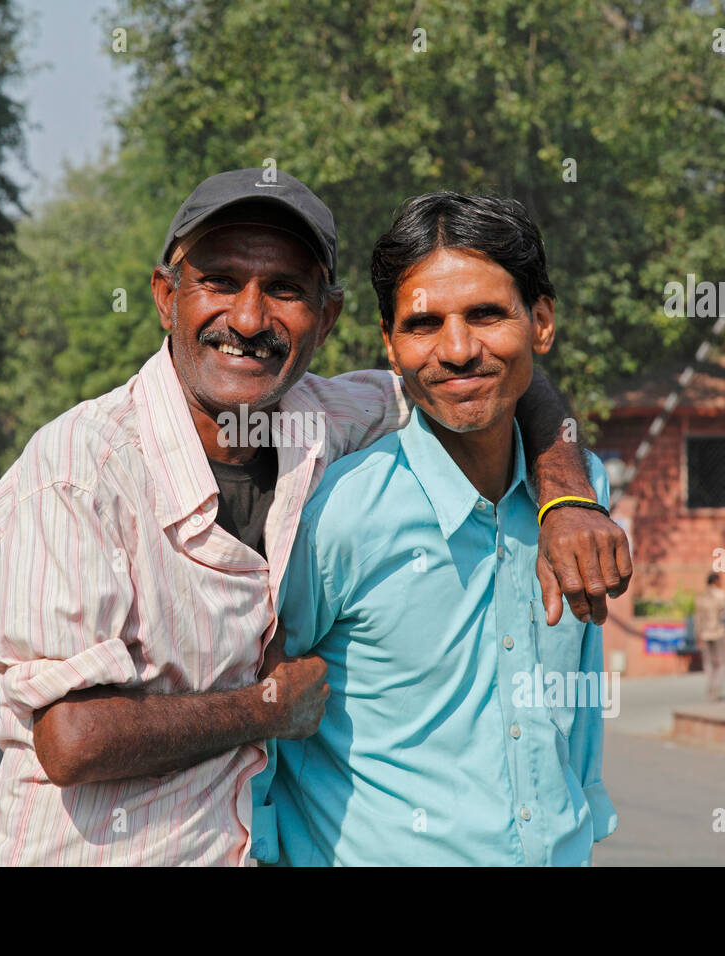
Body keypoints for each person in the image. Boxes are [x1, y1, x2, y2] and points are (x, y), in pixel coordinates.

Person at [0, 169, 633, 866]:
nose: (251, 319)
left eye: (285, 289)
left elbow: (491, 376)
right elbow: (74, 739)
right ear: (166, 297)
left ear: (328, 317)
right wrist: (267, 707)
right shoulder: (77, 474)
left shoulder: (330, 421)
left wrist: (566, 497)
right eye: (220, 282)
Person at [251, 192, 615, 865]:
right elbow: (266, 727)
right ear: (388, 343)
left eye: (485, 315)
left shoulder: (580, 497)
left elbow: (579, 711)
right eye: (424, 325)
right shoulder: (337, 516)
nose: (457, 349)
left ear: (541, 322)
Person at [694, 572, 725, 701]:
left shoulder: (701, 597)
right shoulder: (721, 595)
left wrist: (697, 634)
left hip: (704, 633)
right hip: (718, 632)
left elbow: (698, 618)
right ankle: (717, 687)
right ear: (715, 581)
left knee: (709, 663)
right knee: (723, 663)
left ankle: (711, 685)